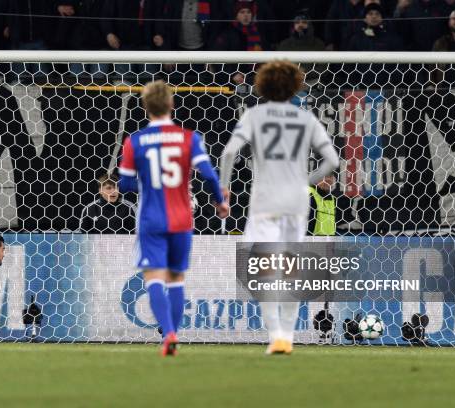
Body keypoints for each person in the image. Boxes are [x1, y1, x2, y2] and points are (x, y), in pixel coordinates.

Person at [219, 61, 338, 355]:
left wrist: (224, 190)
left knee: (260, 267)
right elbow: (332, 161)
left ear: (263, 86)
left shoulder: (254, 115)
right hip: (296, 201)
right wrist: (304, 182)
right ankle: (287, 334)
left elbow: (229, 153)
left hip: (265, 199)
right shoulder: (305, 118)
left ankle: (276, 336)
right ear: (295, 86)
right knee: (289, 266)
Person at [118, 80, 228, 356]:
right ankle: (174, 333)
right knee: (176, 279)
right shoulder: (189, 138)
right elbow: (210, 175)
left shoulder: (134, 142)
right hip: (181, 218)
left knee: (153, 278)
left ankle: (167, 333)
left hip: (151, 219)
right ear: (171, 105)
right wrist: (219, 201)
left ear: (145, 108)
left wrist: (149, 183)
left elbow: (125, 185)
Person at [211, 1, 266, 85]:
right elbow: (218, 58)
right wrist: (233, 74)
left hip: (256, 79)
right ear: (236, 15)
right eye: (242, 12)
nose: (246, 15)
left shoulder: (258, 33)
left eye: (248, 12)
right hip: (231, 81)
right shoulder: (227, 34)